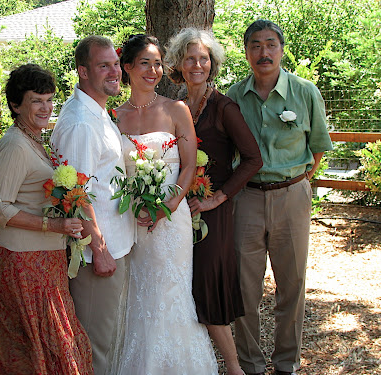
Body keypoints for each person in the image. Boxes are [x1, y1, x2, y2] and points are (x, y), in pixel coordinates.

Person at [226, 20, 333, 375]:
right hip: (247, 200)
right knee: (244, 286)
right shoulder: (233, 97)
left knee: (292, 284)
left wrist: (297, 182)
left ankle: (286, 363)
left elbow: (317, 148)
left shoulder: (305, 92)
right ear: (246, 53)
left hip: (292, 196)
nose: (263, 52)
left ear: (281, 49)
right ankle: (251, 364)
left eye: (270, 44)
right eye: (255, 45)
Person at [113, 34, 218, 375]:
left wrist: (166, 206)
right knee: (137, 294)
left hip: (172, 219)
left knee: (171, 291)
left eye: (157, 63)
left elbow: (188, 166)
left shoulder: (176, 109)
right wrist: (137, 205)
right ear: (127, 67)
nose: (153, 70)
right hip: (132, 219)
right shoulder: (115, 116)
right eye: (145, 62)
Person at [166, 28, 263, 375]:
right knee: (182, 284)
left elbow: (253, 158)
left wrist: (218, 198)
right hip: (177, 210)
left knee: (206, 285)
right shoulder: (175, 105)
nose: (197, 64)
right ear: (179, 62)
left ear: (213, 64)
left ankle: (235, 368)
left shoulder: (224, 107)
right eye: (190, 58)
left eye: (204, 58)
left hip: (212, 212)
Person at [0, 64, 92, 375]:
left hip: (46, 258)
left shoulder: (34, 139)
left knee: (53, 341)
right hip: (24, 260)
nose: (46, 108)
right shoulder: (15, 145)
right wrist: (54, 225)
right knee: (43, 343)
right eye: (36, 101)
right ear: (16, 105)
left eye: (49, 100)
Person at [50, 36, 135, 375]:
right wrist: (98, 249)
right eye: (104, 66)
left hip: (113, 241)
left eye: (116, 63)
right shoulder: (81, 124)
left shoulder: (96, 111)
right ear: (83, 71)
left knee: (108, 338)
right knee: (94, 346)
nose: (114, 71)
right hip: (95, 251)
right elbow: (75, 194)